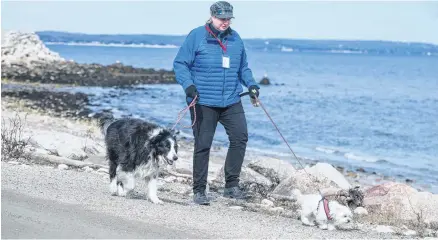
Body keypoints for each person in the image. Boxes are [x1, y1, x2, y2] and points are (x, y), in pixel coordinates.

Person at [173, 1, 260, 205]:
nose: (225, 22)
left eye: (228, 18)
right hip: (203, 101)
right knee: (203, 145)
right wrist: (188, 86)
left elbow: (243, 68)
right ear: (212, 17)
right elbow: (180, 64)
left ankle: (231, 186)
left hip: (231, 100)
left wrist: (252, 85)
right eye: (222, 18)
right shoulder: (196, 36)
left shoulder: (236, 39)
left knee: (240, 138)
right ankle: (199, 190)